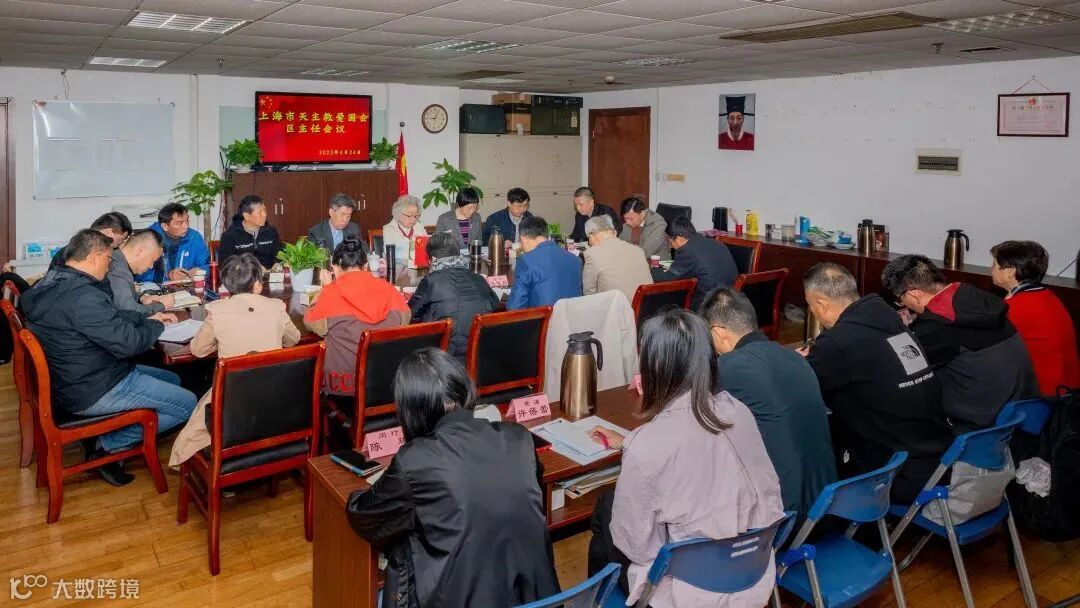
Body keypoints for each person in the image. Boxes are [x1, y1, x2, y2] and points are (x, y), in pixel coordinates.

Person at [587, 308, 784, 607]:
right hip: (753, 577)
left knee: (607, 517)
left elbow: (637, 547)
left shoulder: (649, 445)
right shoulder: (738, 412)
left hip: (687, 594)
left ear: (654, 366)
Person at [346, 348, 560, 608]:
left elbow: (364, 515)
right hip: (534, 599)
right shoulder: (519, 437)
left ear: (410, 409)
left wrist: (357, 494)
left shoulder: (415, 459)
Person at [21, 229, 196, 487]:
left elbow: (108, 318)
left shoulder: (54, 281)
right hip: (93, 387)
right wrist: (157, 326)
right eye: (108, 259)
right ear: (94, 257)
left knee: (173, 379)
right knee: (188, 403)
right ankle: (107, 444)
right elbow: (129, 344)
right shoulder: (83, 296)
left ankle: (115, 432)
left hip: (77, 374)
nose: (111, 265)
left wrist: (146, 317)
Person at [800, 262, 952, 503]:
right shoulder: (891, 320)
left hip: (893, 473)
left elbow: (800, 386)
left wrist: (797, 363)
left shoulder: (839, 342)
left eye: (810, 305)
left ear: (821, 303)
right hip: (937, 458)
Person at [701, 288, 836, 518]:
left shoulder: (728, 367)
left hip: (782, 511)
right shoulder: (794, 357)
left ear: (719, 333)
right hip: (826, 500)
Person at [169, 254, 301, 466]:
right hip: (274, 395)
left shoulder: (217, 310)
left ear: (226, 286)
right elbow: (293, 339)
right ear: (257, 285)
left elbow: (198, 350)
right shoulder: (276, 307)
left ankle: (195, 458)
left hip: (232, 399)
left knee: (201, 416)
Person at [882, 254, 1039, 433]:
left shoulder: (938, 326)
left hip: (977, 425)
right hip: (1019, 413)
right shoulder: (977, 298)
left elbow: (898, 368)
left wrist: (904, 334)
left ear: (913, 293)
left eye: (900, 299)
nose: (903, 304)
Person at [304, 238, 410, 396]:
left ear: (335, 267)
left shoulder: (331, 294)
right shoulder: (389, 289)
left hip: (344, 388)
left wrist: (325, 289)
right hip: (387, 384)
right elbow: (406, 318)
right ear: (366, 266)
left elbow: (310, 322)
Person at [990, 240, 1080, 395]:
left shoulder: (1015, 307)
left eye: (994, 264)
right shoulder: (1048, 296)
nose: (991, 268)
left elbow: (989, 347)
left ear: (1010, 272)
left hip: (1045, 394)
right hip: (1068, 387)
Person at [408, 233, 500, 360]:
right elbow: (494, 304)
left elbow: (411, 314)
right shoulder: (478, 278)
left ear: (433, 259)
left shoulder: (431, 281)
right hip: (479, 355)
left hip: (441, 357)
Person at [650, 216, 738, 310]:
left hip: (708, 305)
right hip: (732, 300)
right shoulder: (717, 243)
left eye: (669, 242)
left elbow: (667, 280)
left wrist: (653, 269)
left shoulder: (687, 251)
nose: (671, 246)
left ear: (679, 238)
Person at [507, 216, 582, 310]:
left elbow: (515, 307)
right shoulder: (575, 260)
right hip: (570, 317)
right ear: (547, 235)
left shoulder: (526, 260)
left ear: (522, 238)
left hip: (543, 318)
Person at [581, 215, 653, 302]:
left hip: (617, 308)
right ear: (614, 232)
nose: (589, 242)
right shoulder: (638, 250)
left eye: (588, 238)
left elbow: (589, 293)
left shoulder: (593, 254)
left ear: (592, 235)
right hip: (646, 307)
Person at [135, 203, 211, 283]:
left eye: (187, 220)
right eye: (180, 223)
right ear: (165, 226)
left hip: (186, 287)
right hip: (156, 288)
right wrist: (168, 275)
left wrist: (200, 271)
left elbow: (207, 266)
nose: (186, 226)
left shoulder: (194, 237)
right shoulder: (148, 240)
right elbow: (139, 275)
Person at [107, 229, 175, 317]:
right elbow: (129, 311)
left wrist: (142, 298)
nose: (151, 266)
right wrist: (162, 306)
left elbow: (123, 293)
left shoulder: (119, 260)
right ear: (140, 251)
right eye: (153, 260)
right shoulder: (117, 269)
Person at [49, 211, 133, 271]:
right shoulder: (72, 253)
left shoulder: (71, 249)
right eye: (122, 239)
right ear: (109, 232)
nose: (121, 243)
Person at [218, 195, 284, 269]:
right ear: (246, 216)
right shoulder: (229, 236)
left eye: (264, 211)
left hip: (270, 274)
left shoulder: (271, 232)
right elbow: (225, 264)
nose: (264, 215)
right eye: (260, 212)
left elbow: (280, 253)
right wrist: (252, 269)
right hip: (244, 275)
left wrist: (277, 264)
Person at [618, 196, 670, 262]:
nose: (627, 222)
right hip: (633, 261)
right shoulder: (628, 224)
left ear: (642, 214)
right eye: (625, 218)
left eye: (631, 219)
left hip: (656, 264)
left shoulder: (658, 224)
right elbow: (619, 245)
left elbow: (646, 252)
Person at [382, 194, 423, 264]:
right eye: (409, 215)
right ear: (399, 214)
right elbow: (390, 253)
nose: (413, 219)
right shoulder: (389, 229)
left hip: (418, 267)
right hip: (397, 267)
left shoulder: (419, 227)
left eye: (416, 215)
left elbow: (424, 250)